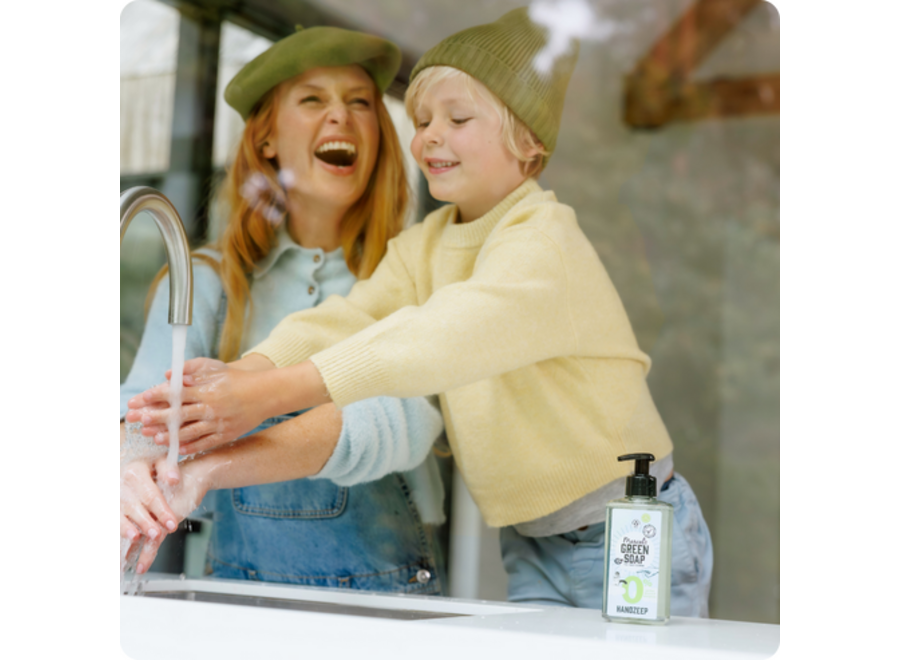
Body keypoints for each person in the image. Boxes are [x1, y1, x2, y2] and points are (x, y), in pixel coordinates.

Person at [129, 8, 712, 614]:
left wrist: (268, 394)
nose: (430, 134)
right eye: (424, 118)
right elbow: (346, 319)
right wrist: (242, 372)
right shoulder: (428, 244)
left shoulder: (542, 243)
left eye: (458, 118)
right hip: (532, 537)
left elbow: (432, 339)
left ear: (530, 144)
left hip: (629, 525)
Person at [119, 25, 449, 595]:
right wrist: (131, 463)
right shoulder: (207, 281)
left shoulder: (416, 273)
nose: (340, 117)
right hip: (237, 592)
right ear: (268, 139)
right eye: (313, 99)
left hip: (390, 599)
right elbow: (142, 414)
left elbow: (409, 421)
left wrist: (217, 459)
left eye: (360, 103)